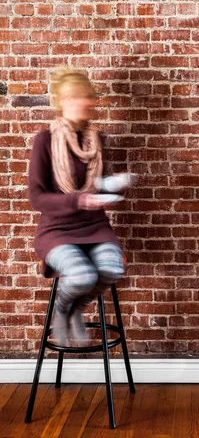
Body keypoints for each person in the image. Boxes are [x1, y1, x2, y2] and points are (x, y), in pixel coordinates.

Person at [28, 66, 132, 347]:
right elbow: (36, 197)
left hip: (96, 227)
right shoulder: (45, 140)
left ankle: (74, 309)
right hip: (57, 231)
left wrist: (113, 184)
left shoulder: (98, 141)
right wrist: (77, 200)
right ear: (63, 101)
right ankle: (63, 311)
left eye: (88, 96)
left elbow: (97, 186)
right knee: (83, 275)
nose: (87, 102)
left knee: (112, 269)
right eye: (78, 97)